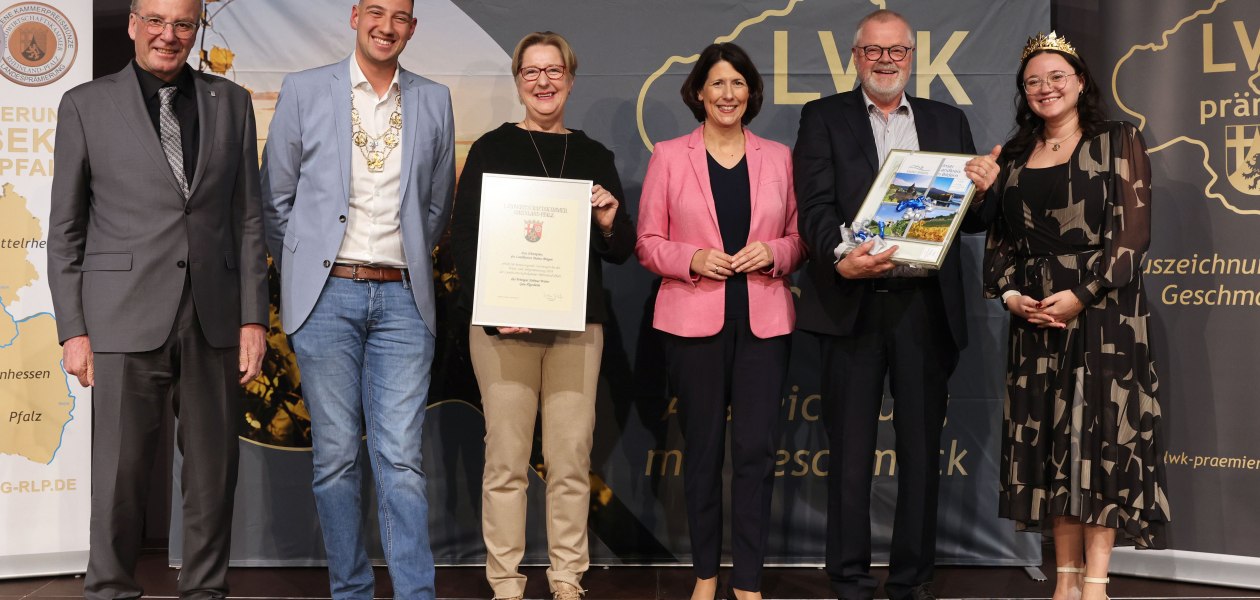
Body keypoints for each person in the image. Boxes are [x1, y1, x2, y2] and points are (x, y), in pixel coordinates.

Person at [47, 0, 269, 597]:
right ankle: (110, 590)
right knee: (119, 477)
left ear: (197, 30)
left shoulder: (232, 103)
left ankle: (205, 591)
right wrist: (73, 329)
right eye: (155, 21)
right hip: (120, 317)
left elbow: (249, 218)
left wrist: (254, 318)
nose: (168, 35)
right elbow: (65, 230)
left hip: (214, 318)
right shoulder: (85, 105)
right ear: (132, 24)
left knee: (213, 476)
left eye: (182, 24)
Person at [791, 9, 1000, 600]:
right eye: (873, 51)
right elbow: (814, 206)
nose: (885, 61)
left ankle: (911, 580)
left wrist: (985, 189)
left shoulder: (946, 120)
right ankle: (849, 580)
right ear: (856, 57)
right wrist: (841, 257)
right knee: (849, 455)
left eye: (897, 51)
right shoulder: (823, 117)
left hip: (924, 309)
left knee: (920, 453)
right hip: (852, 302)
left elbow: (972, 220)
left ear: (912, 56)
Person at [259, 0, 454, 597]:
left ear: (412, 27)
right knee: (337, 458)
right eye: (375, 11)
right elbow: (276, 200)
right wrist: (308, 271)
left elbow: (437, 205)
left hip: (404, 301)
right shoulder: (304, 90)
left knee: (401, 460)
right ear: (354, 16)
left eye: (399, 16)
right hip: (326, 298)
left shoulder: (434, 99)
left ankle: (415, 592)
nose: (385, 26)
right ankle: (351, 590)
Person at [447, 31, 635, 600]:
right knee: (505, 459)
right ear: (518, 82)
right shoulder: (490, 149)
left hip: (576, 328)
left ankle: (567, 578)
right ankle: (506, 582)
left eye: (554, 71)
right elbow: (464, 239)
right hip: (503, 329)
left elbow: (621, 248)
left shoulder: (594, 156)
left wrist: (608, 219)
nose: (543, 82)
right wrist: (494, 309)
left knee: (570, 458)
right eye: (532, 72)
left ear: (570, 81)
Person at [983, 32, 1170, 600]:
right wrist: (1011, 296)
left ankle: (1095, 584)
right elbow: (1000, 242)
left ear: (1081, 81)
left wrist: (1083, 294)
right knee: (1050, 445)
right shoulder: (1013, 155)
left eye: (1057, 76)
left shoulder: (1117, 139)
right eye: (1033, 81)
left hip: (1104, 315)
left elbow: (1133, 234)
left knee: (1099, 442)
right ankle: (1063, 582)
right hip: (1035, 319)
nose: (1046, 88)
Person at [636, 42, 806, 600]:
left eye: (738, 83)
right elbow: (647, 242)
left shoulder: (779, 157)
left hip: (764, 325)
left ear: (751, 92)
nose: (728, 94)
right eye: (717, 83)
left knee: (756, 453)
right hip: (692, 325)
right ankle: (706, 575)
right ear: (699, 93)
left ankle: (748, 580)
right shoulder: (669, 156)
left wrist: (775, 252)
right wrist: (691, 258)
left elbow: (801, 238)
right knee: (704, 452)